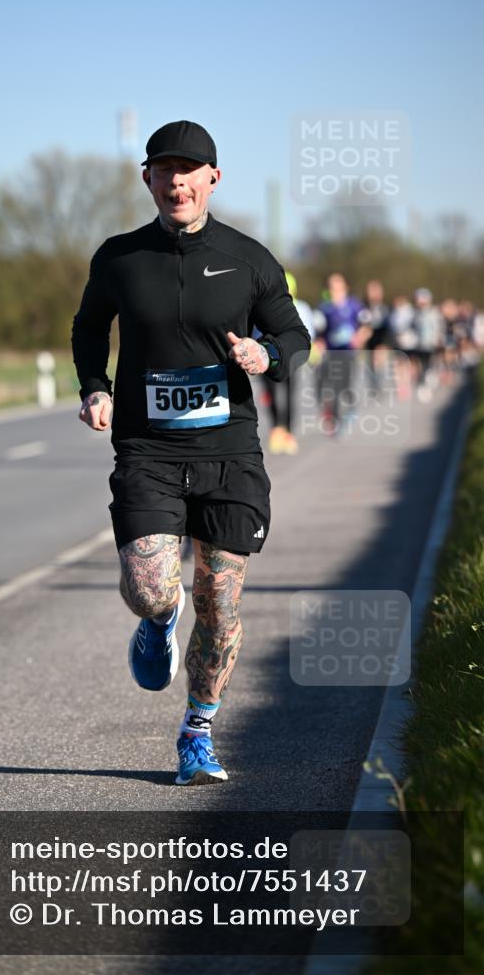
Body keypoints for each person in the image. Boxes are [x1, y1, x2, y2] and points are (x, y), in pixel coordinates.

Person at [72, 120, 310, 785]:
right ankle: (158, 620)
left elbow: (296, 337)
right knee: (152, 587)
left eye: (189, 170)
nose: (177, 182)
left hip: (228, 451)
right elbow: (88, 328)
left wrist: (266, 354)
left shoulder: (250, 258)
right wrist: (94, 387)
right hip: (147, 448)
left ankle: (197, 733)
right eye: (164, 170)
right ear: (146, 178)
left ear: (213, 178)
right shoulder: (118, 258)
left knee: (221, 601)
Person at [257, 271, 315, 455]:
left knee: (290, 395)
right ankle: (276, 430)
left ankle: (289, 433)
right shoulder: (262, 305)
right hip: (267, 356)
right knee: (271, 395)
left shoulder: (301, 307)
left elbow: (308, 333)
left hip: (291, 357)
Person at [314, 273, 370, 434]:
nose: (334, 290)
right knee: (329, 385)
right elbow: (320, 332)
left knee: (344, 386)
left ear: (345, 287)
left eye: (337, 287)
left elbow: (367, 326)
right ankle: (335, 419)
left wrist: (359, 338)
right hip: (330, 353)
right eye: (331, 287)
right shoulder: (325, 308)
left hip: (348, 353)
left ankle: (349, 408)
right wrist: (319, 343)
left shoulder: (354, 305)